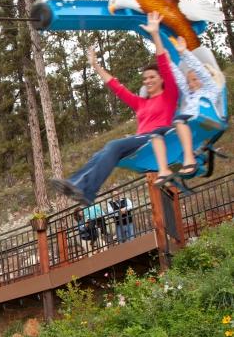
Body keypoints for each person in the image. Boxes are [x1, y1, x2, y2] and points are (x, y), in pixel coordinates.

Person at [51, 12, 179, 205]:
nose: (148, 80)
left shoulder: (169, 95)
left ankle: (88, 190)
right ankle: (76, 184)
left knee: (113, 145)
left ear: (161, 79)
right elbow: (117, 88)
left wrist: (155, 35)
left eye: (152, 77)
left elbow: (164, 63)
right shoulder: (141, 103)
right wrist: (95, 66)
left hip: (155, 139)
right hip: (140, 143)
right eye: (145, 79)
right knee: (101, 153)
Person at [153, 36, 227, 180]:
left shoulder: (211, 89)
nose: (191, 84)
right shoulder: (190, 94)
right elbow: (180, 80)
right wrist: (168, 62)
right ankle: (165, 169)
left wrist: (184, 53)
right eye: (189, 81)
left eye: (194, 80)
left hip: (205, 117)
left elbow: (200, 70)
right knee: (158, 132)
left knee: (179, 120)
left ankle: (190, 159)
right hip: (190, 122)